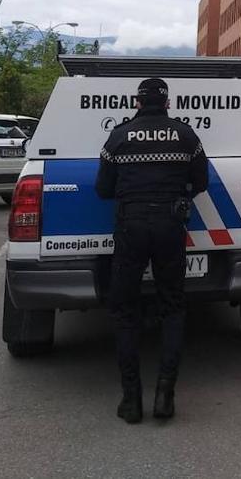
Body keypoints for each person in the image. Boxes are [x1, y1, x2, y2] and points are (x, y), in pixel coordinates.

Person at [95, 78, 208, 424]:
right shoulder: (185, 135)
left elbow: (103, 189)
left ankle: (131, 401)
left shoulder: (119, 136)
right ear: (168, 103)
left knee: (124, 310)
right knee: (173, 306)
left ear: (138, 102)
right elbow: (201, 182)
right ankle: (165, 397)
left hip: (130, 227)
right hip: (170, 227)